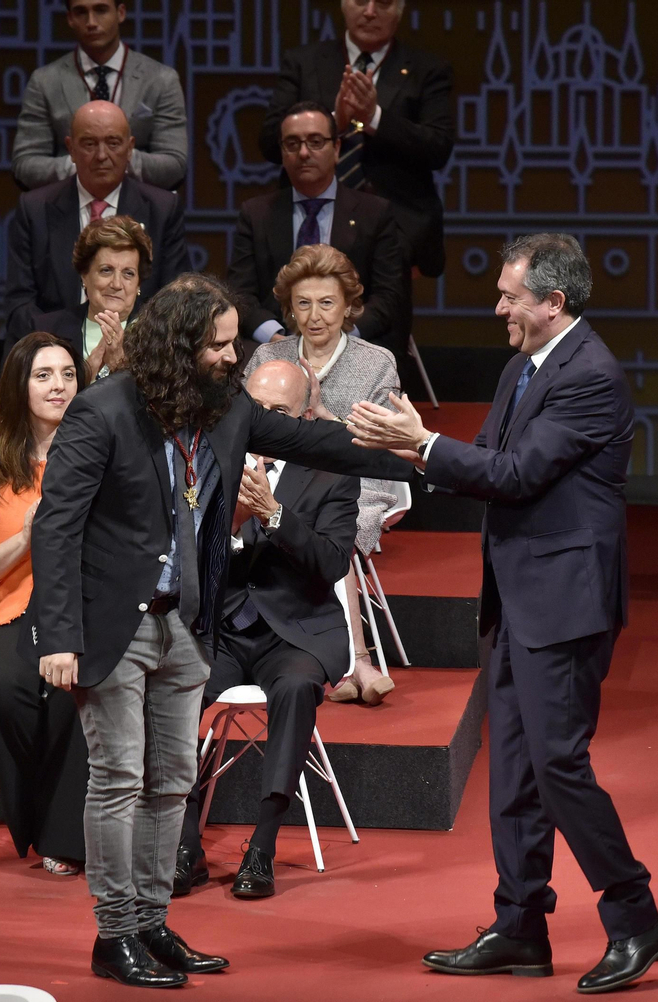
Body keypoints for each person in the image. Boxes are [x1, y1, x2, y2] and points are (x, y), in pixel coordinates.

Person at [29, 274, 414, 988]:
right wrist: (58, 635)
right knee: (119, 779)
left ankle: (150, 922)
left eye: (235, 342)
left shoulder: (227, 411)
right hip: (113, 625)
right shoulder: (102, 412)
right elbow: (56, 528)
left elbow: (315, 443)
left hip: (185, 620)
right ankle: (114, 935)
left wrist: (417, 454)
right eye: (221, 345)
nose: (233, 357)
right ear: (179, 349)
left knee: (172, 779)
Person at [346, 234, 658, 995]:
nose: (497, 307)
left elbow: (519, 475)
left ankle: (637, 917)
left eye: (509, 296)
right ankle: (521, 925)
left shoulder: (590, 375)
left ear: (552, 303)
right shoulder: (522, 367)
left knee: (558, 765)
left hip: (564, 601)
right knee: (517, 774)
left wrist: (423, 443)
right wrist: (414, 450)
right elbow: (487, 466)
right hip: (520, 595)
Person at [174, 360, 359, 899]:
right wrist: (225, 525)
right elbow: (181, 549)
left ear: (302, 416)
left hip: (295, 630)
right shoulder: (208, 453)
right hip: (223, 630)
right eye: (256, 408)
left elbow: (330, 564)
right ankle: (186, 844)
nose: (264, 419)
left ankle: (264, 845)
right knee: (174, 688)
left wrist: (276, 516)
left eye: (279, 412)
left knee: (298, 688)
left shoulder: (331, 467)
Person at [0, 333, 91, 876]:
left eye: (68, 374)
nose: (59, 386)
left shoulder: (97, 454)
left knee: (69, 693)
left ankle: (61, 837)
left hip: (78, 608)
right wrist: (25, 540)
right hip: (3, 606)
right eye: (44, 375)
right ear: (18, 385)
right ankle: (31, 816)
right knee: (1, 689)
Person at [248, 243, 400, 704]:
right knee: (297, 516)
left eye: (327, 303)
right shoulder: (265, 359)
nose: (315, 315)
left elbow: (383, 443)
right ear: (289, 307)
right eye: (303, 303)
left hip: (357, 481)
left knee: (339, 526)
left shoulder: (376, 361)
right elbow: (249, 432)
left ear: (349, 306)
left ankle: (355, 659)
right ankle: (353, 663)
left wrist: (319, 412)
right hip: (277, 478)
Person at [261, 0, 455, 279]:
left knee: (382, 317)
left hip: (396, 230)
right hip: (309, 218)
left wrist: (374, 117)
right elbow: (269, 141)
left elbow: (438, 148)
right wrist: (333, 123)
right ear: (343, 5)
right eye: (361, 1)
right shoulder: (304, 62)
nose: (370, 11)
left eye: (384, 3)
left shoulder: (428, 69)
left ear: (399, 12)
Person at [230, 102, 409, 360]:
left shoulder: (375, 213)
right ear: (282, 153)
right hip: (273, 345)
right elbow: (240, 293)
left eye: (315, 142)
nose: (303, 153)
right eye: (292, 144)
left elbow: (389, 296)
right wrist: (276, 337)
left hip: (352, 343)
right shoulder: (256, 214)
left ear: (336, 148)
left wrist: (343, 336)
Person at [6, 101, 190, 341]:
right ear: (71, 149)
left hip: (140, 349)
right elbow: (20, 303)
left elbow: (175, 301)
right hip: (51, 349)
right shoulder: (34, 208)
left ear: (130, 148)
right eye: (89, 144)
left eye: (113, 143)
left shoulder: (163, 209)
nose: (102, 155)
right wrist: (62, 350)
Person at [11, 0, 187, 192]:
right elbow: (25, 166)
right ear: (70, 18)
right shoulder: (45, 82)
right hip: (67, 209)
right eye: (81, 13)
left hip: (140, 210)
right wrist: (81, 163)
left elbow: (174, 164)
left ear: (120, 13)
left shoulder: (161, 80)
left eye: (101, 10)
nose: (91, 22)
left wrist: (118, 158)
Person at [23, 215, 152, 382]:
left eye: (128, 273)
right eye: (106, 270)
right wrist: (82, 379)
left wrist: (121, 370)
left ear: (138, 283)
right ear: (84, 276)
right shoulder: (45, 330)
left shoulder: (158, 337)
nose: (117, 284)